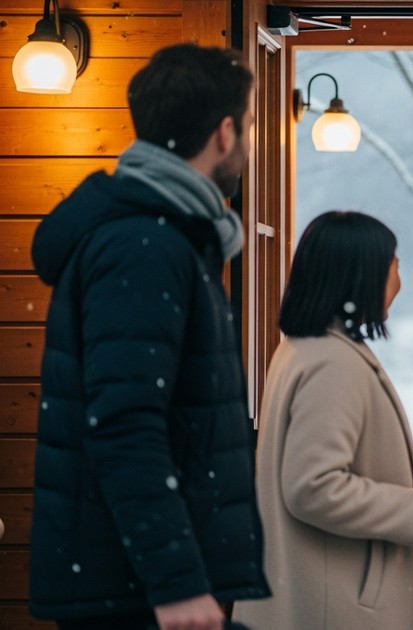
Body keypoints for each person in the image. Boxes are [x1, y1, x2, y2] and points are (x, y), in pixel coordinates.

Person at [28, 44, 269, 630]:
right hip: (133, 590)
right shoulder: (145, 247)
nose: (253, 142)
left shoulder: (164, 236)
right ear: (225, 133)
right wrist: (177, 583)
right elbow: (124, 424)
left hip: (133, 580)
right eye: (252, 124)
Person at [232, 210, 413, 630]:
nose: (399, 280)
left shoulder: (306, 348)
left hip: (321, 594)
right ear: (363, 275)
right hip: (338, 605)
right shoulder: (332, 363)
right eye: (394, 265)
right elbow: (313, 487)